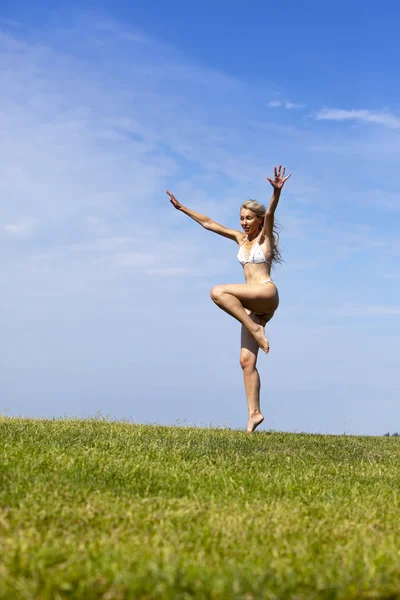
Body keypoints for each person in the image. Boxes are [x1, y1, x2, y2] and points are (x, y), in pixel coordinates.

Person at [166, 165, 291, 432]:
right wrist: (182, 208)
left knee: (218, 292)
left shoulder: (264, 239)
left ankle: (255, 328)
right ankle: (254, 414)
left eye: (248, 218)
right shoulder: (239, 240)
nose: (243, 222)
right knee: (246, 361)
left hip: (266, 293)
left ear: (258, 220)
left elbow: (270, 213)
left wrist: (276, 192)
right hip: (252, 307)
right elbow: (210, 224)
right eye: (241, 217)